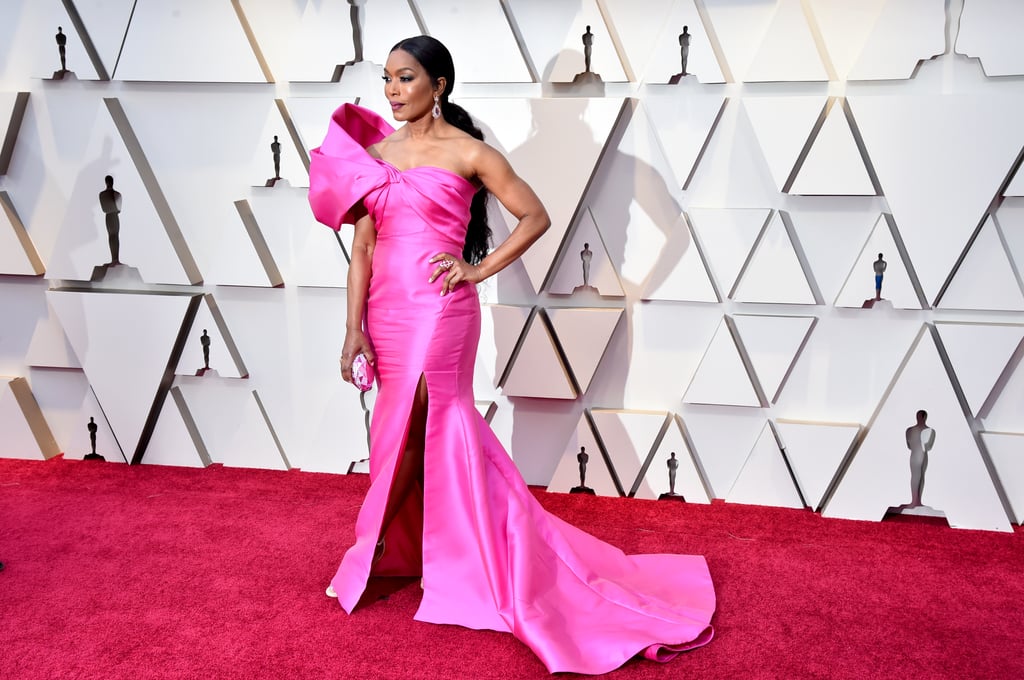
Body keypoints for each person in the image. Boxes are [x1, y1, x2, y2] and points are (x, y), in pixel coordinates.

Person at [308, 35, 714, 675]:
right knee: (396, 431)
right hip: (386, 312)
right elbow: (361, 250)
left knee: (432, 422)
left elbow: (535, 215)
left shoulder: (471, 153)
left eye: (405, 77)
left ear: (437, 84)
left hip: (441, 309)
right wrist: (351, 329)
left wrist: (475, 270)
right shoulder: (374, 156)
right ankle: (401, 549)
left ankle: (406, 551)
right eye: (386, 77)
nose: (391, 89)